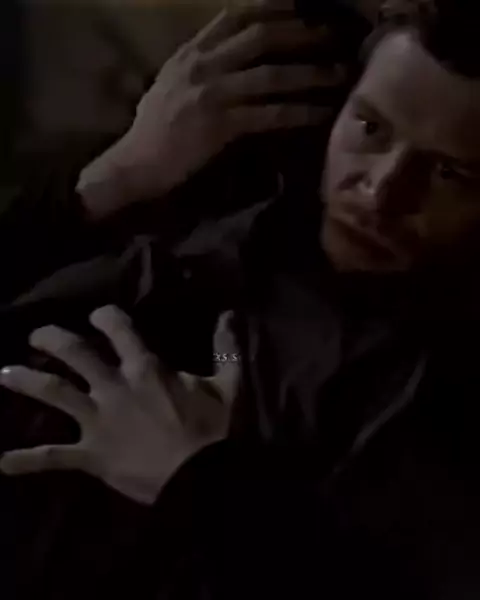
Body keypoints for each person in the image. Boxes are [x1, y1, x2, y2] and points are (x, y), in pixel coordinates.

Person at [1, 0, 480, 597]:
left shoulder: (433, 400)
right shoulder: (223, 196)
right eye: (369, 127)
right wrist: (114, 178)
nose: (380, 192)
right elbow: (229, 339)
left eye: (449, 173)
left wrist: (201, 480)